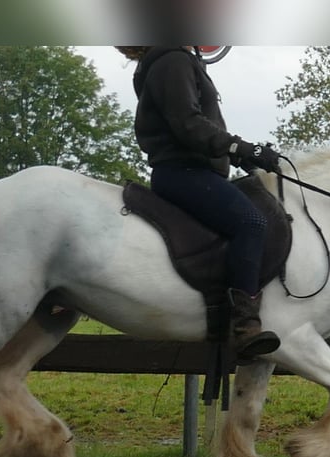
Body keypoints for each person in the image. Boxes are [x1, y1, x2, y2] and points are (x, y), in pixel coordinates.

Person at [116, 46, 282, 362]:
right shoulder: (173, 59)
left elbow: (197, 125)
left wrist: (239, 155)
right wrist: (239, 146)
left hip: (195, 171)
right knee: (252, 222)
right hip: (184, 172)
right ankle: (244, 323)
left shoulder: (173, 59)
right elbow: (187, 122)